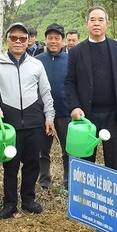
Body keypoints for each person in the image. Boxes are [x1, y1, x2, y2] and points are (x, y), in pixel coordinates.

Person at [0, 23, 55, 219]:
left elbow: (46, 92)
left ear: (28, 41)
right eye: (13, 38)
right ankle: (10, 203)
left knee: (32, 163)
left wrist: (49, 117)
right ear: (7, 40)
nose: (18, 42)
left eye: (22, 38)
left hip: (34, 121)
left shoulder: (36, 64)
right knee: (10, 164)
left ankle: (28, 199)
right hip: (9, 124)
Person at [65, 6, 117, 171]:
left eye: (101, 20)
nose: (97, 23)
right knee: (87, 159)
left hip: (113, 113)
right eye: (93, 20)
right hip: (87, 115)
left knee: (113, 158)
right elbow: (69, 82)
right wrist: (74, 106)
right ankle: (87, 194)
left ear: (107, 24)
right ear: (87, 24)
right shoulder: (76, 52)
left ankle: (112, 194)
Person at [36, 23, 72, 192]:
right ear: (46, 40)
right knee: (43, 151)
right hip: (44, 114)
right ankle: (44, 182)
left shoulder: (70, 59)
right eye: (50, 38)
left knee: (68, 150)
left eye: (57, 38)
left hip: (65, 111)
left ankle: (69, 182)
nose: (53, 41)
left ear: (62, 40)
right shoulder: (37, 61)